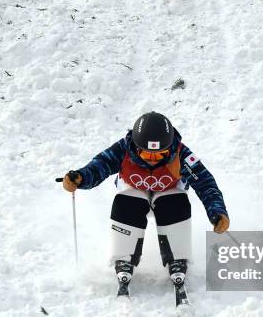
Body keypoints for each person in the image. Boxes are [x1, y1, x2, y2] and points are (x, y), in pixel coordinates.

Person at [61, 112, 229, 290]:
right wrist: (80, 178)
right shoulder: (123, 149)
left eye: (159, 155)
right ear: (136, 146)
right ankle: (124, 258)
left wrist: (217, 211)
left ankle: (177, 258)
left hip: (168, 191)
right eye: (147, 155)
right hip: (134, 189)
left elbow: (205, 182)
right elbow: (100, 165)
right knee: (127, 200)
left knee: (174, 201)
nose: (153, 160)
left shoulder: (180, 153)